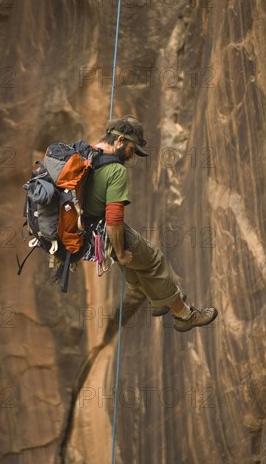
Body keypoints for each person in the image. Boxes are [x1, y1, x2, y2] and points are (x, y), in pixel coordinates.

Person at [83, 115, 218, 332]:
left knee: (137, 261)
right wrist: (120, 251)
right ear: (119, 141)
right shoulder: (115, 170)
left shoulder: (84, 153)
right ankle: (185, 315)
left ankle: (157, 297)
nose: (132, 155)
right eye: (131, 148)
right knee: (152, 259)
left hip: (78, 231)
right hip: (99, 231)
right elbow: (115, 219)